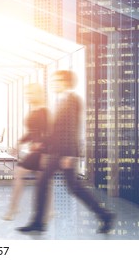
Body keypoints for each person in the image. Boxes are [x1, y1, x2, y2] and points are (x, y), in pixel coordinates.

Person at [17, 70, 115, 234]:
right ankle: (104, 215)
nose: (53, 84)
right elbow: (58, 131)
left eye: (56, 81)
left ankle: (38, 223)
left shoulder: (72, 100)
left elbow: (72, 129)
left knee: (54, 185)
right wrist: (42, 144)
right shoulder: (62, 101)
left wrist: (70, 155)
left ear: (65, 82)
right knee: (72, 187)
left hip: (64, 153)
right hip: (58, 152)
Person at [3, 83, 50, 221]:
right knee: (42, 182)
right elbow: (31, 132)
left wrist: (42, 147)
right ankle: (48, 211)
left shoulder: (44, 111)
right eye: (27, 94)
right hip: (36, 151)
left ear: (37, 94)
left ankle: (13, 209)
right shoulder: (34, 110)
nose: (27, 96)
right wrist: (19, 143)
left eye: (30, 94)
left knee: (20, 173)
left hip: (41, 152)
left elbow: (48, 133)